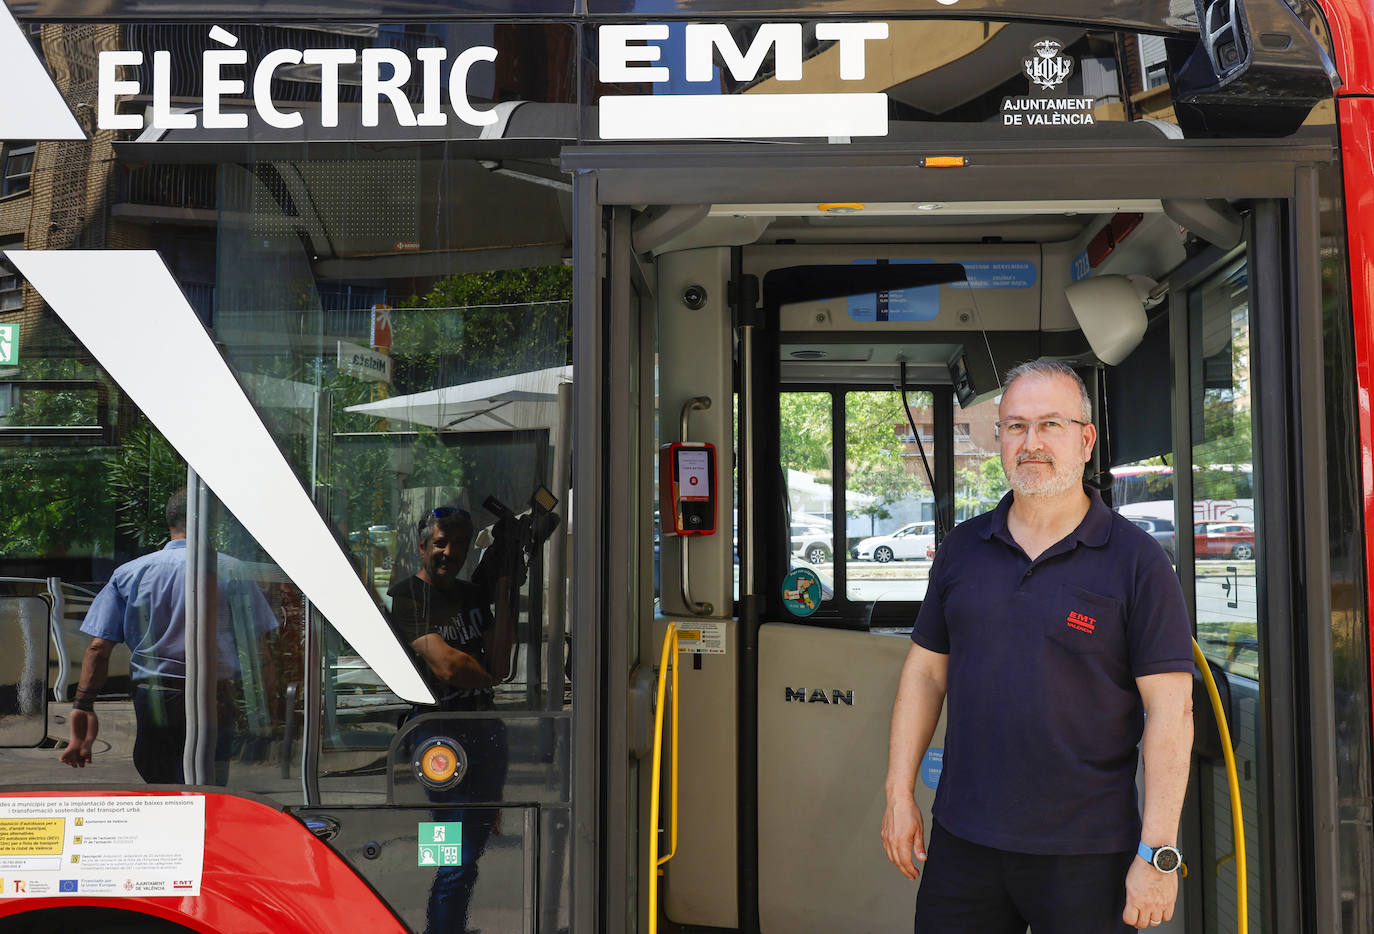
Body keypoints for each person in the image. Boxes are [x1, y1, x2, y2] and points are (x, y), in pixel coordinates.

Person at [881, 360, 1195, 932]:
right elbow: (925, 676)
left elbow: (1171, 711)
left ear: (1085, 439)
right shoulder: (961, 550)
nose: (1032, 443)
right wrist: (899, 793)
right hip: (964, 842)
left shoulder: (1138, 561)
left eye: (1051, 424)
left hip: (1090, 854)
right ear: (999, 439)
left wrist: (1158, 853)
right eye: (1016, 426)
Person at [59, 489, 279, 784]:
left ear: (169, 522)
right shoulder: (232, 571)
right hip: (215, 696)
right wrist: (271, 713)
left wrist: (83, 707)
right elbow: (259, 651)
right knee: (209, 785)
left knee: (162, 787)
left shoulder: (130, 573)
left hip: (156, 698)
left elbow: (98, 648)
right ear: (211, 524)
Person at [387, 505, 517, 934]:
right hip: (437, 734)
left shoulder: (473, 594)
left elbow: (501, 656)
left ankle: (449, 925)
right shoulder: (407, 595)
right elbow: (447, 666)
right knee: (449, 854)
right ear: (422, 546)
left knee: (470, 853)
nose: (450, 552)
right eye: (441, 543)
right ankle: (440, 928)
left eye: (459, 545)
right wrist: (488, 674)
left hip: (484, 731)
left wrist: (504, 582)